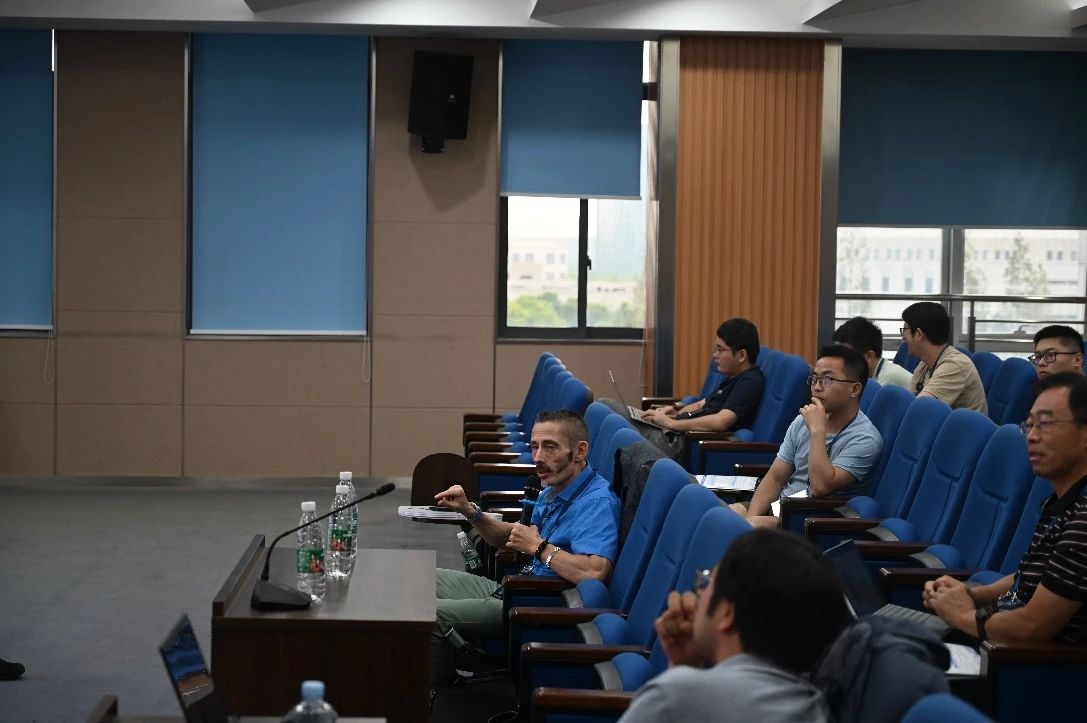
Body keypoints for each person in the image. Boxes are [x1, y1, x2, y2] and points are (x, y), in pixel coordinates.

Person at [429, 409, 620, 686]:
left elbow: (594, 571)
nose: (538, 457)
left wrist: (539, 547)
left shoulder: (596, 503)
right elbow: (513, 537)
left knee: (426, 614)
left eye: (550, 447)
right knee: (421, 581)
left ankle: (430, 696)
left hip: (540, 605)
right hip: (513, 590)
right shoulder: (553, 487)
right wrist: (471, 512)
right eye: (534, 447)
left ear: (579, 452)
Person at [619, 529, 852, 723]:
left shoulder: (674, 698)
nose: (697, 593)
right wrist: (685, 667)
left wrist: (681, 681)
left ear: (727, 613)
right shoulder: (816, 706)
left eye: (706, 582)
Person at [923, 372, 1087, 645]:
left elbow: (1032, 628)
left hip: (1029, 665)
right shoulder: (1061, 500)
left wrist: (962, 615)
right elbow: (1030, 579)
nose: (1031, 436)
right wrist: (970, 594)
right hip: (999, 639)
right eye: (1029, 425)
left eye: (1046, 424)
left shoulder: (1083, 520)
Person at [731, 346, 882, 529]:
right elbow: (776, 478)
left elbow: (820, 487)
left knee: (747, 527)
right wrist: (751, 517)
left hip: (812, 519)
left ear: (854, 389)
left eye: (827, 380)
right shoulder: (802, 421)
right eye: (815, 379)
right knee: (720, 516)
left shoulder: (865, 439)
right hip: (782, 506)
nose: (817, 387)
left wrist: (817, 430)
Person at [605, 318, 766, 460]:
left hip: (681, 443)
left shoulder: (750, 382)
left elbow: (721, 421)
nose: (715, 355)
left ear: (741, 355)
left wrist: (671, 423)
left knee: (610, 413)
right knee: (608, 408)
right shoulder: (732, 377)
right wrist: (673, 412)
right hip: (674, 433)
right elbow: (700, 404)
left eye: (720, 349)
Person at [900, 301, 987, 414]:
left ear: (918, 334)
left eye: (905, 330)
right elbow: (910, 403)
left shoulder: (954, 366)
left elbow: (918, 410)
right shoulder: (925, 363)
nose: (903, 336)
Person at [832, 316, 912, 390]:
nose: (839, 361)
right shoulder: (871, 375)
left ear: (869, 356)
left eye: (846, 356)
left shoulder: (888, 378)